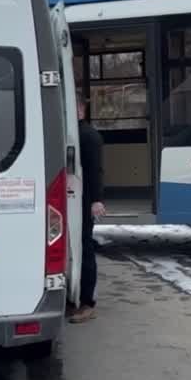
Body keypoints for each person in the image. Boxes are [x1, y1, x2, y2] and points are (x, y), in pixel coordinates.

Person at [69, 91, 105, 324]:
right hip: (76, 199)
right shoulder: (75, 133)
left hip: (85, 201)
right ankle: (79, 297)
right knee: (78, 248)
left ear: (80, 109)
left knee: (85, 248)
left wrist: (96, 201)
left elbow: (95, 171)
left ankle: (88, 303)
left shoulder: (88, 135)